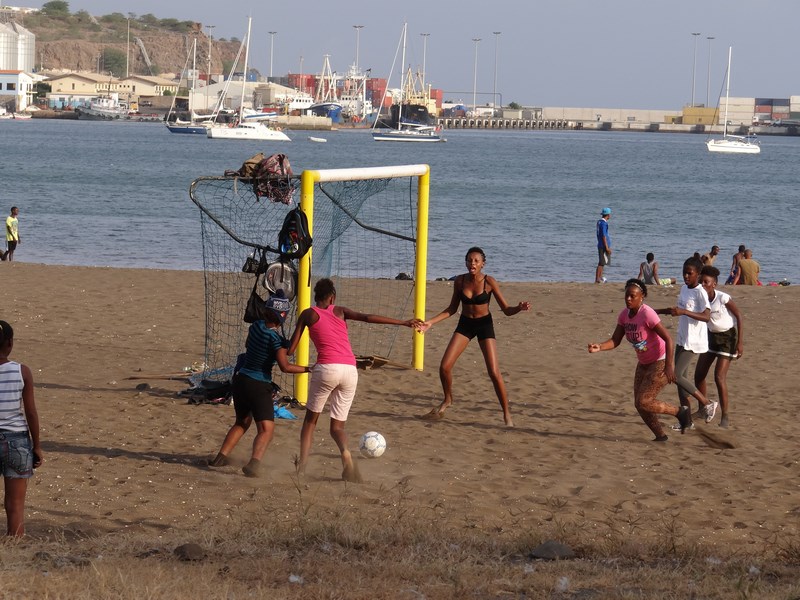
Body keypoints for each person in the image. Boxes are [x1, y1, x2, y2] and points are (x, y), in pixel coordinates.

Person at [287, 278, 421, 482]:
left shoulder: (308, 314)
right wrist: (403, 322)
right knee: (337, 427)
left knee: (310, 421)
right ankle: (346, 454)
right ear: (332, 297)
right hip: (350, 370)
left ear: (316, 297)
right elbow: (367, 317)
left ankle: (302, 467)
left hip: (326, 369)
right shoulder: (340, 310)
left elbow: (290, 350)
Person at [418, 247, 531, 427]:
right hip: (465, 324)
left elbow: (507, 310)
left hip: (484, 325)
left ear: (482, 264)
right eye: (470, 260)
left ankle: (507, 414)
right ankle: (447, 399)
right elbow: (452, 309)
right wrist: (430, 322)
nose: (472, 263)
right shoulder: (460, 281)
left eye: (476, 261)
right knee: (444, 366)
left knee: (494, 372)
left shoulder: (489, 282)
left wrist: (519, 308)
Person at [208, 291, 310, 477]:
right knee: (266, 429)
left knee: (241, 422)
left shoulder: (255, 326)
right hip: (258, 384)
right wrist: (308, 369)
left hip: (240, 381)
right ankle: (253, 464)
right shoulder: (275, 340)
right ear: (283, 317)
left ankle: (220, 458)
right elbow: (285, 366)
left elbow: (250, 346)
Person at [588, 279, 691, 440]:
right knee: (640, 404)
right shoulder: (624, 315)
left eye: (632, 296)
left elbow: (668, 339)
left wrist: (669, 366)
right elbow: (615, 340)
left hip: (660, 360)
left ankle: (680, 412)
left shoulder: (647, 313)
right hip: (643, 363)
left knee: (644, 400)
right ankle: (660, 436)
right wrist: (599, 347)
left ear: (641, 297)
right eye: (626, 296)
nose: (628, 299)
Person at [655, 256, 717, 429]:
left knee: (676, 375)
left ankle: (707, 403)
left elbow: (706, 316)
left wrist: (684, 312)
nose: (686, 276)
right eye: (684, 273)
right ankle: (687, 421)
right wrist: (655, 311)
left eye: (689, 273)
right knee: (681, 385)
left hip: (694, 341)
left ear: (697, 274)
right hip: (682, 338)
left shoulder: (700, 292)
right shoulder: (683, 289)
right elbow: (677, 310)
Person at [0, 320, 43, 536]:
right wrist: (37, 446)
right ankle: (15, 547)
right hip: (16, 441)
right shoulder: (21, 371)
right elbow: (31, 412)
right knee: (15, 505)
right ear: (9, 343)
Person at [693, 266, 743, 428]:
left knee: (719, 377)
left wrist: (740, 343)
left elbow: (739, 316)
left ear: (714, 284)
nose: (703, 285)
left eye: (706, 282)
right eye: (701, 282)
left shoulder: (723, 298)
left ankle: (725, 417)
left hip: (728, 338)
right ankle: (703, 408)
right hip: (710, 338)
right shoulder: (700, 299)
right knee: (699, 375)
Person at [595, 207, 612, 283]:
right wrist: (607, 247)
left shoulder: (599, 222)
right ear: (608, 215)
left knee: (602, 262)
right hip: (603, 245)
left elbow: (599, 234)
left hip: (600, 244)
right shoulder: (604, 224)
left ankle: (599, 278)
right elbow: (604, 236)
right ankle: (598, 279)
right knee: (602, 263)